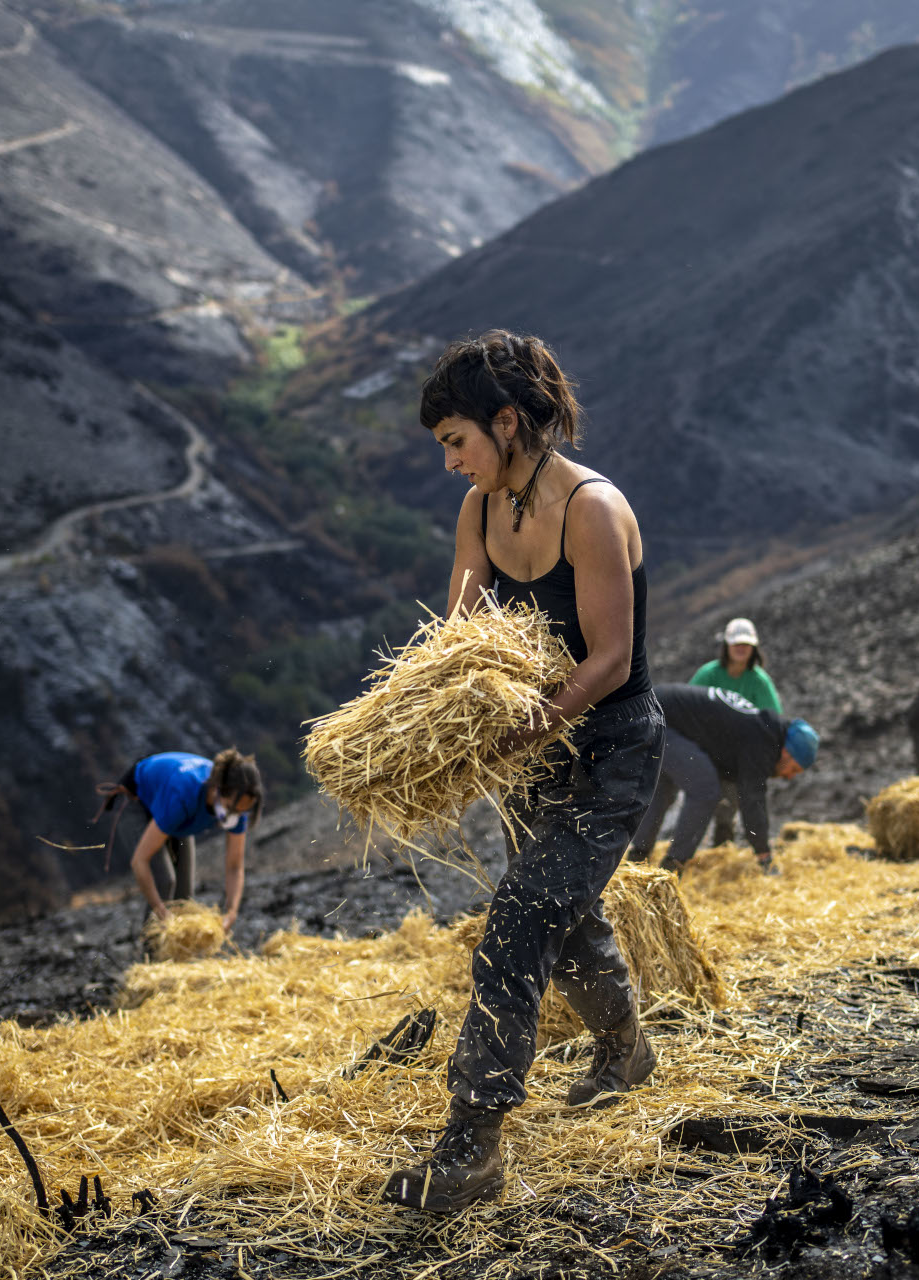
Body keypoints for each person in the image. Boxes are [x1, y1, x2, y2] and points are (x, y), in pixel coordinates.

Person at [381, 330, 664, 1214]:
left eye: (456, 442)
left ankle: (473, 1142)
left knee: (516, 919)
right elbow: (460, 642)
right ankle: (626, 1048)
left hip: (611, 750)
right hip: (533, 757)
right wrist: (415, 722)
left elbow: (612, 658)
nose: (450, 464)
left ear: (507, 422)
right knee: (562, 911)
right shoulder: (480, 513)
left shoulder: (593, 510)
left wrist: (530, 726)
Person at [630, 683, 817, 873]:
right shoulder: (762, 743)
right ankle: (673, 867)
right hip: (655, 717)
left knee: (665, 786)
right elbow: (752, 800)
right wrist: (764, 855)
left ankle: (637, 856)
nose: (788, 777)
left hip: (647, 711)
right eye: (793, 769)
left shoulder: (762, 729)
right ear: (787, 752)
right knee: (706, 790)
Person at [102, 748, 263, 932]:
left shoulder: (238, 804)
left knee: (184, 899)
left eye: (241, 812)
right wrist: (160, 911)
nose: (235, 816)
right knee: (164, 880)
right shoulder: (184, 795)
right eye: (230, 809)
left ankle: (179, 957)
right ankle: (152, 954)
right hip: (138, 802)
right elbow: (140, 861)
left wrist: (232, 911)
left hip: (178, 816)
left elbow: (235, 865)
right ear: (217, 789)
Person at [689, 617, 781, 846]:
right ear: (727, 646)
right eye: (736, 643)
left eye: (746, 644)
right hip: (704, 749)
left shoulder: (759, 681)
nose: (741, 648)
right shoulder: (708, 674)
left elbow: (772, 718)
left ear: (754, 648)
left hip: (735, 756)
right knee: (699, 800)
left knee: (728, 805)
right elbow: (688, 706)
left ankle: (722, 846)